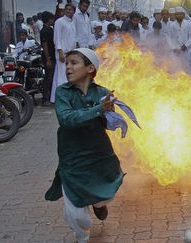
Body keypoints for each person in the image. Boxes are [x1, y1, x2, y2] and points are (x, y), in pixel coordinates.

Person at [45, 48, 125, 243]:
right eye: (68, 63)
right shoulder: (62, 92)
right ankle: (82, 238)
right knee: (78, 216)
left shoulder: (103, 93)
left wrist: (112, 115)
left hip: (99, 155)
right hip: (72, 158)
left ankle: (99, 205)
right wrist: (98, 109)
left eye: (74, 63)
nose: (68, 67)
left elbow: (107, 124)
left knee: (104, 196)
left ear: (90, 68)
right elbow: (66, 119)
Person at [51, 3, 77, 103]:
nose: (68, 11)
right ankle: (60, 99)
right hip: (62, 53)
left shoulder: (72, 22)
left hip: (70, 53)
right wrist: (60, 51)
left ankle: (63, 98)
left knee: (67, 75)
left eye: (71, 10)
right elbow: (57, 38)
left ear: (74, 12)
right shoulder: (59, 22)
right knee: (61, 76)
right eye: (67, 9)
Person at [167, 7, 191, 73]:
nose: (179, 16)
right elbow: (168, 37)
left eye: (180, 14)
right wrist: (173, 48)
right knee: (176, 68)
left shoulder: (189, 24)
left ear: (183, 15)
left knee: (187, 68)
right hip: (175, 51)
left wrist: (186, 46)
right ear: (175, 15)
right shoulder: (171, 25)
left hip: (187, 51)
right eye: (177, 14)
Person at [40, 11, 56, 106]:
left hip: (52, 56)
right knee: (48, 78)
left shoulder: (49, 29)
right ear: (49, 19)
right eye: (51, 18)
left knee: (51, 77)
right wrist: (48, 59)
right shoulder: (45, 31)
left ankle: (50, 96)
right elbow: (45, 46)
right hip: (49, 57)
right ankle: (45, 98)